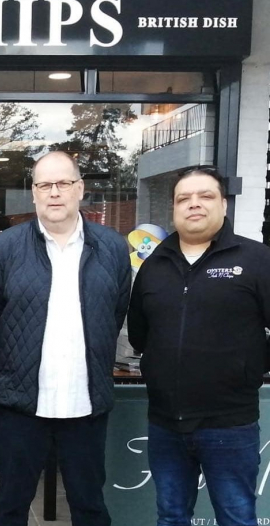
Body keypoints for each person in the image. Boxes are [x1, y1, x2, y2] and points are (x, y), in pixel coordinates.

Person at [0, 151, 131, 526]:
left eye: (63, 183)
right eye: (44, 185)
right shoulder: (4, 248)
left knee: (90, 505)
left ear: (80, 189)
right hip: (22, 404)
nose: (54, 193)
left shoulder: (111, 247)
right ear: (33, 193)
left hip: (85, 403)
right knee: (11, 506)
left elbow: (115, 313)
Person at [128, 167, 270, 526]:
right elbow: (139, 332)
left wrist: (250, 369)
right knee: (171, 515)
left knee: (236, 516)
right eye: (183, 199)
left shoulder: (256, 260)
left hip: (229, 424)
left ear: (223, 204)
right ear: (174, 210)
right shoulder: (154, 265)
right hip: (165, 424)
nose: (194, 205)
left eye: (205, 196)